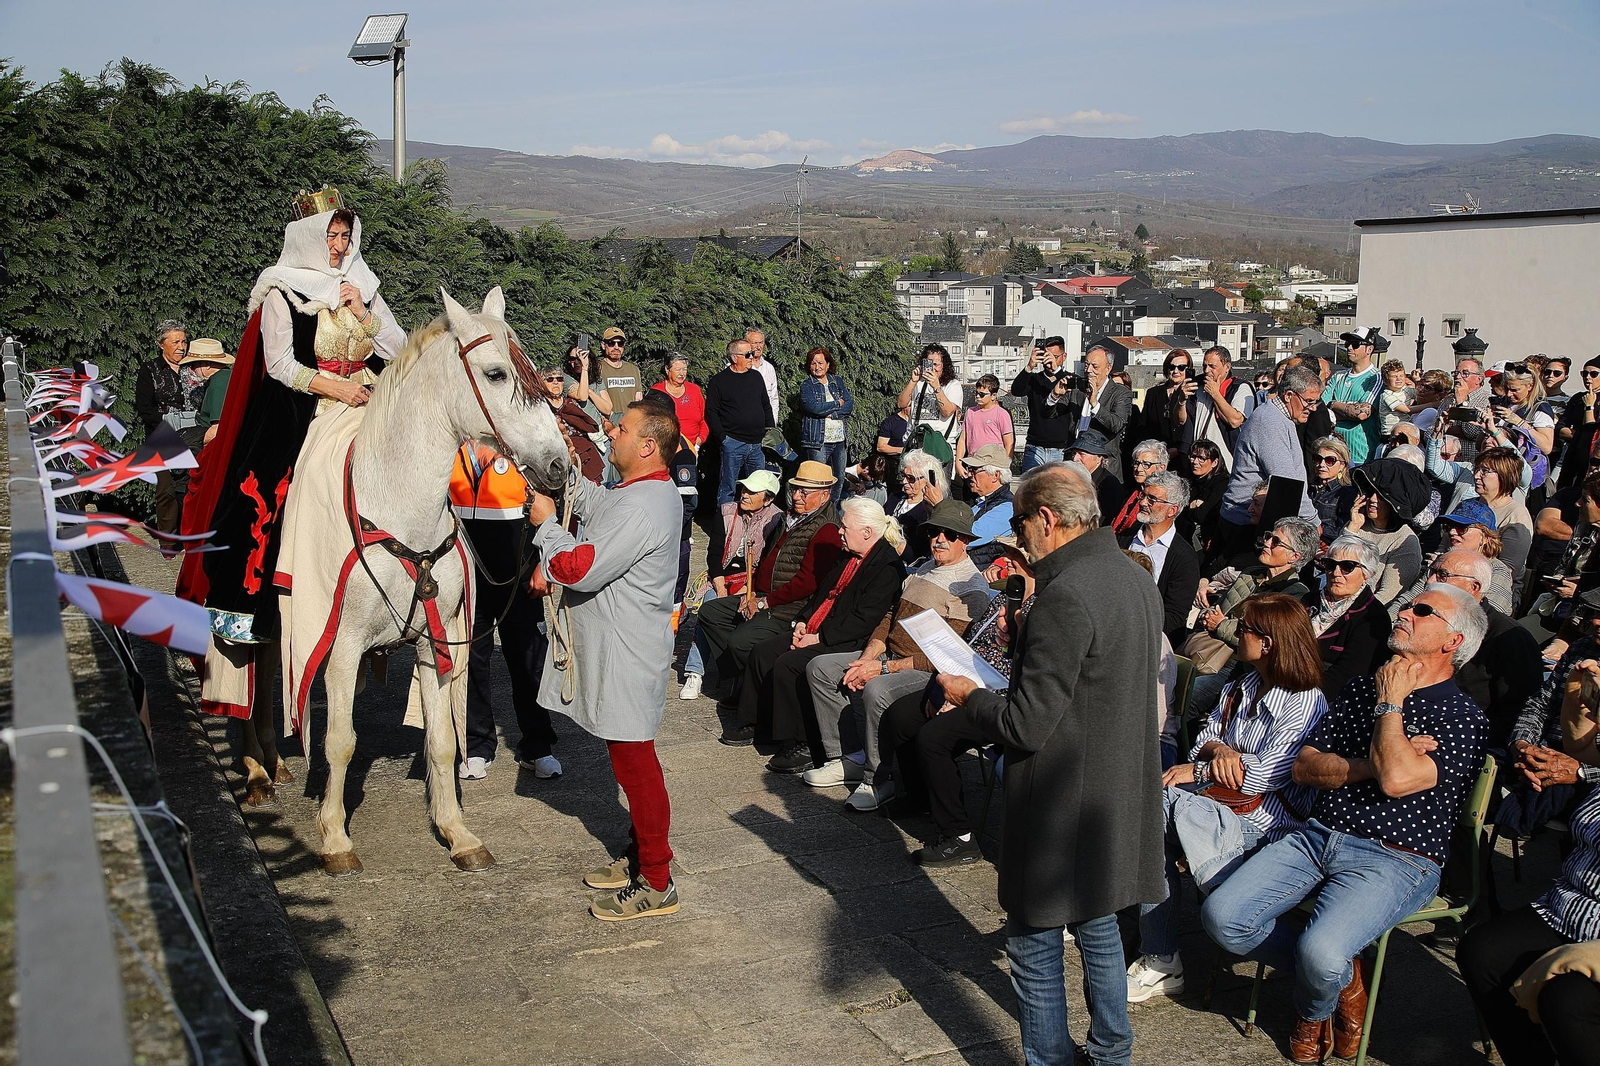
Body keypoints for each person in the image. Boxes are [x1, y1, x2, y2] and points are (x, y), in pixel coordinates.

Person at [936, 461, 1165, 1066]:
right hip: (1114, 786)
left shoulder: (1066, 593)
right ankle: (1113, 1050)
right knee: (1098, 925)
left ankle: (1052, 1059)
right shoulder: (1133, 576)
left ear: (1047, 519)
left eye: (1019, 524)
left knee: (1035, 941)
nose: (1020, 540)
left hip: (1061, 800)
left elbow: (1025, 722)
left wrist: (969, 696)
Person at [1202, 584, 1490, 1063]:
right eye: (1408, 603)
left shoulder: (1462, 715)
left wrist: (1391, 706)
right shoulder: (1362, 689)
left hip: (1397, 857)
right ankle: (1341, 978)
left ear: (1453, 641)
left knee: (1320, 951)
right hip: (1318, 836)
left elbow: (1398, 781)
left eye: (1423, 611)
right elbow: (1304, 768)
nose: (1404, 611)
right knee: (1223, 918)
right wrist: (1367, 763)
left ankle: (1312, 1009)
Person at [177, 201, 407, 716]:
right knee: (270, 495)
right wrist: (336, 388)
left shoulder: (364, 287)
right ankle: (261, 601)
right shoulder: (282, 290)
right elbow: (279, 363)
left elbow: (400, 349)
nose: (340, 246)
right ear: (308, 237)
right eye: (331, 235)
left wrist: (365, 314)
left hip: (370, 400)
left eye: (346, 236)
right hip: (309, 405)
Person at [1126, 594, 1328, 1005]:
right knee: (1151, 809)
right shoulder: (1244, 683)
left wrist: (1200, 769)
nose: (1236, 632)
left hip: (1268, 827)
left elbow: (1264, 775)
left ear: (1268, 642)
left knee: (1153, 807)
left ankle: (1162, 949)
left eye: (1245, 627)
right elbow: (1205, 737)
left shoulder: (1306, 701)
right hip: (1219, 803)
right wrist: (1220, 753)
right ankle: (1160, 949)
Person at [527, 400, 682, 920]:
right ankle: (643, 857)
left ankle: (657, 881)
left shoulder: (642, 505)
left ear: (647, 446)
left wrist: (547, 525)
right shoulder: (639, 492)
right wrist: (569, 472)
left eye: (621, 428)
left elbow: (577, 567)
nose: (610, 432)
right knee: (630, 763)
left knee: (636, 766)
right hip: (623, 649)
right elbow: (599, 507)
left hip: (627, 654)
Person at [799, 500, 992, 806]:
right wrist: (869, 656)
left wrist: (885, 669)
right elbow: (890, 616)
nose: (939, 540)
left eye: (950, 535)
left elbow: (950, 654)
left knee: (877, 689)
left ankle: (878, 779)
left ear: (965, 541)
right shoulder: (925, 568)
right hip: (891, 655)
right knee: (821, 668)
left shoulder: (971, 590)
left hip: (927, 671)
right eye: (934, 533)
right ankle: (848, 756)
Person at [1460, 653, 1600, 1066]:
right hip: (1574, 902)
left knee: (1567, 998)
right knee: (1482, 950)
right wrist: (1529, 747)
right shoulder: (1581, 656)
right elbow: (1550, 715)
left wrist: (1577, 772)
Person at [739, 497, 908, 774]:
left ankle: (805, 741)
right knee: (764, 651)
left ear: (867, 532)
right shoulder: (847, 555)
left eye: (845, 528)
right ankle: (761, 723)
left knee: (790, 664)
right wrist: (803, 621)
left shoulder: (886, 566)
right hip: (820, 626)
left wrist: (818, 638)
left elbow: (865, 620)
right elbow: (823, 595)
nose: (839, 532)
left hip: (849, 639)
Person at [449, 440, 561, 781]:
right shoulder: (449, 448)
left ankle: (538, 746)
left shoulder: (521, 440)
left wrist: (546, 564)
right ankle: (476, 746)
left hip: (520, 573)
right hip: (467, 575)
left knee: (530, 663)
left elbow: (555, 505)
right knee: (470, 664)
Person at [703, 462, 842, 731]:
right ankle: (743, 676)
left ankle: (751, 691)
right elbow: (769, 557)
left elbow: (808, 582)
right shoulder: (791, 517)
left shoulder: (826, 529)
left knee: (740, 642)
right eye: (795, 490)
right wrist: (751, 591)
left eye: (805, 492)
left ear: (824, 494)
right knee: (710, 613)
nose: (797, 496)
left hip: (788, 606)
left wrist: (766, 601)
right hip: (764, 593)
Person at [680, 471, 784, 700]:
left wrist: (747, 589)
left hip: (752, 583)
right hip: (722, 579)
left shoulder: (777, 519)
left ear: (768, 499)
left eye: (752, 492)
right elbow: (714, 553)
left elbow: (769, 562)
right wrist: (719, 586)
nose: (744, 495)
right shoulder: (726, 511)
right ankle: (694, 672)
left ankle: (733, 672)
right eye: (744, 489)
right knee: (708, 606)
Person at [1426, 548, 1543, 747]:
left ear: (1474, 587)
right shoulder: (1422, 619)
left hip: (1466, 743)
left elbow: (1516, 710)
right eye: (1431, 572)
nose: (1430, 581)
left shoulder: (1508, 638)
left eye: (1442, 575)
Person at [1215, 366, 1322, 560]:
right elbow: (1287, 482)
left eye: (1316, 402)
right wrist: (1313, 522)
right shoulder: (1269, 421)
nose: (1313, 408)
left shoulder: (1279, 417)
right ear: (1289, 395)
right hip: (1245, 522)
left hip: (1254, 520)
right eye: (1309, 401)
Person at [1391, 499, 1516, 618]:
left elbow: (1488, 618)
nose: (1452, 532)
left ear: (1486, 536)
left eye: (1462, 528)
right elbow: (1409, 598)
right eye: (1449, 527)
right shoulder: (1442, 563)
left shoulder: (1497, 571)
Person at [1305, 536, 1393, 700]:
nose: (1336, 573)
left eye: (1347, 566)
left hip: (1324, 701)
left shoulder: (1372, 617)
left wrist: (1296, 695)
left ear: (1367, 573)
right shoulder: (1308, 601)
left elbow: (1348, 675)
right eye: (1330, 565)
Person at [1118, 470, 1200, 643]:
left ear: (1172, 510)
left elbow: (1175, 617)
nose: (1143, 502)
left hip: (1148, 640)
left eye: (1152, 499)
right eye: (1143, 495)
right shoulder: (1123, 538)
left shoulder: (1184, 558)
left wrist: (1133, 625)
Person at [133, 317, 198, 532]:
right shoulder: (149, 370)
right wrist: (168, 424)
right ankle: (169, 541)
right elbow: (144, 408)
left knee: (192, 487)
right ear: (161, 344)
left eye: (184, 342)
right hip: (163, 438)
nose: (181, 347)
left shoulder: (194, 368)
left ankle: (190, 534)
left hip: (196, 435)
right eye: (175, 342)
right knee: (166, 491)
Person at [1343, 457, 1429, 605]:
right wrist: (1351, 530)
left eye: (1382, 496)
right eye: (1370, 492)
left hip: (1365, 613)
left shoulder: (1405, 541)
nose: (1373, 499)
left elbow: (1388, 595)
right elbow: (1336, 566)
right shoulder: (1358, 523)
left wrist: (1351, 614)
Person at [705, 338, 775, 507]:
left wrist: (770, 430)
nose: (752, 357)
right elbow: (711, 411)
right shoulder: (719, 381)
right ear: (735, 357)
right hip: (733, 443)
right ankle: (724, 527)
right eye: (748, 354)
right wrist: (723, 438)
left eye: (752, 353)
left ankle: (753, 525)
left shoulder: (756, 377)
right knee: (728, 487)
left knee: (758, 488)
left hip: (757, 444)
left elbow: (765, 403)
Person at [1177, 345, 1256, 462]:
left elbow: (1235, 421)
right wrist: (1181, 400)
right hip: (1198, 458)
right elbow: (1181, 420)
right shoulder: (1197, 385)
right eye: (1204, 366)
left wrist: (1215, 394)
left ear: (1227, 367)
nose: (1206, 370)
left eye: (1212, 366)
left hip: (1227, 459)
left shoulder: (1240, 388)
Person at [1011, 336, 1077, 471]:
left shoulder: (1069, 379)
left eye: (1055, 356)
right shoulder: (1035, 379)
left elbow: (1074, 392)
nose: (1050, 360)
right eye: (1047, 355)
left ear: (1064, 356)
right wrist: (1029, 366)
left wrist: (1057, 371)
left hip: (1061, 449)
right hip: (1035, 446)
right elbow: (1016, 390)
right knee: (1030, 489)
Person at [1069, 344, 1134, 483]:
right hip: (1076, 464)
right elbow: (1052, 415)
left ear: (1108, 368)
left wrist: (1095, 404)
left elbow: (1117, 424)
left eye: (1095, 366)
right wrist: (1055, 395)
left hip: (1104, 467)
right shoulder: (1077, 391)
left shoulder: (1121, 393)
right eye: (1086, 365)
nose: (1089, 370)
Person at [797, 346, 853, 501]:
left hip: (839, 440)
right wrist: (837, 403)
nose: (817, 367)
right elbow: (813, 407)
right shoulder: (807, 385)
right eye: (813, 363)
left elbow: (848, 405)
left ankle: (832, 512)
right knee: (818, 481)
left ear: (828, 364)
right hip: (818, 441)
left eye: (821, 363)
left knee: (838, 479)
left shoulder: (837, 381)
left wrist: (831, 414)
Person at [1324, 328, 1385, 464]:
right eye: (1347, 344)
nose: (1349, 348)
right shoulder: (1338, 376)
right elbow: (1320, 410)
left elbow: (1361, 414)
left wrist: (1333, 404)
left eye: (1356, 344)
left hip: (1361, 455)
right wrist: (1347, 411)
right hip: (1334, 454)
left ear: (1369, 349)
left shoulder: (1376, 377)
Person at [898, 343, 964, 453]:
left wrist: (936, 387)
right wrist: (913, 381)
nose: (932, 368)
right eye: (929, 364)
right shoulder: (918, 383)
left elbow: (947, 412)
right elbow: (901, 404)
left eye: (936, 364)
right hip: (915, 445)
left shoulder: (953, 385)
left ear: (944, 365)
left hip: (940, 445)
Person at [959, 443, 1015, 569]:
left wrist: (938, 505)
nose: (969, 475)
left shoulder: (1007, 507)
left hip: (977, 579)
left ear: (995, 475)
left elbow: (964, 538)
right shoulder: (980, 501)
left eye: (975, 470)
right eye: (969, 469)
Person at [953, 374, 1015, 481]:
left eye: (982, 394)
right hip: (972, 464)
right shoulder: (970, 412)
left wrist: (1005, 466)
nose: (977, 396)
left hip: (993, 466)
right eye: (976, 393)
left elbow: (1009, 443)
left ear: (993, 396)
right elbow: (963, 439)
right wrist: (958, 462)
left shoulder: (1001, 414)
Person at [892, 451, 948, 562]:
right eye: (903, 476)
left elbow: (915, 556)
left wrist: (892, 537)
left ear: (927, 480)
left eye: (911, 478)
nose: (904, 481)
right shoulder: (894, 497)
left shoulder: (928, 511)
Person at [1557, 356, 1600, 491]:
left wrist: (1589, 407)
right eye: (1584, 373)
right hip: (1572, 452)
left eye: (1594, 374)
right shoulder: (1577, 398)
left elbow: (1591, 433)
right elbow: (1559, 427)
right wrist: (1577, 436)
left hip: (1590, 458)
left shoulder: (1591, 400)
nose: (1588, 377)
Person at [1108, 439, 1168, 533]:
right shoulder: (1131, 493)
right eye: (1137, 463)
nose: (1139, 469)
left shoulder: (1162, 500)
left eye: (1146, 464)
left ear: (1161, 468)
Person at [1178, 438, 1227, 555]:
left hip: (1209, 542)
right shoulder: (1189, 481)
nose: (1195, 462)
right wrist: (1193, 505)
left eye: (1202, 458)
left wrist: (1190, 507)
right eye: (1193, 457)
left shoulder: (1222, 483)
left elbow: (1201, 516)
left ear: (1214, 463)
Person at [183, 338, 235, 447]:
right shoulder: (226, 377)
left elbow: (218, 430)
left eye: (194, 365)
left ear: (206, 364)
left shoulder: (219, 383)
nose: (192, 370)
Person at [1068, 429, 1126, 525]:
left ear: (1099, 458)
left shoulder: (1110, 486)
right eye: (1074, 453)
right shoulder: (1071, 477)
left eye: (1082, 454)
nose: (1075, 459)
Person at [651, 352, 707, 451]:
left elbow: (704, 420)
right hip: (665, 449)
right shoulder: (657, 391)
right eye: (678, 370)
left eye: (684, 369)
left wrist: (698, 443)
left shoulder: (694, 390)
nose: (682, 373)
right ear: (667, 370)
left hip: (692, 448)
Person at [1141, 349, 1193, 454]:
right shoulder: (1153, 394)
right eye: (1172, 367)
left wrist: (1178, 449)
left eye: (1181, 367)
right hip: (1155, 454)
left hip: (1183, 454)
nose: (1176, 371)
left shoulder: (1193, 395)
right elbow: (1143, 426)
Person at [593, 326, 643, 435]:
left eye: (620, 343)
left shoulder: (633, 369)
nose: (616, 347)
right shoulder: (596, 368)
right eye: (611, 343)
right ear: (603, 345)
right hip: (608, 429)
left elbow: (638, 400)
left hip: (632, 429)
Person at [1309, 435, 1355, 542]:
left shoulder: (1346, 493)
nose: (1322, 464)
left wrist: (1316, 528)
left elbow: (1343, 531)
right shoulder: (1309, 488)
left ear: (1342, 465)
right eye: (1318, 459)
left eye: (1330, 460)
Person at [745, 328, 781, 425]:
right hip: (745, 422)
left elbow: (774, 398)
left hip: (766, 422)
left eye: (760, 343)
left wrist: (773, 422)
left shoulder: (769, 368)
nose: (758, 347)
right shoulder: (739, 367)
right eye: (755, 343)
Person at [1376, 359, 1417, 437]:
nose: (1398, 379)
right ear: (1385, 380)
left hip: (1404, 430)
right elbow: (1407, 410)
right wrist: (1431, 405)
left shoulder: (1405, 390)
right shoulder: (1387, 396)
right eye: (1394, 376)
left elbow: (1420, 393)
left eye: (1401, 376)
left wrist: (1417, 380)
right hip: (1390, 434)